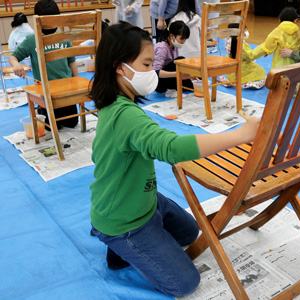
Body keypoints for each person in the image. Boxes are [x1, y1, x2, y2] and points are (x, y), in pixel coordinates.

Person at [88, 21, 260, 297]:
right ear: (120, 67)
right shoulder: (124, 115)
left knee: (191, 234)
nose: (152, 72)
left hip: (143, 200)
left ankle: (130, 235)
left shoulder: (120, 104)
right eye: (146, 65)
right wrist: (239, 135)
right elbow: (171, 148)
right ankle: (116, 242)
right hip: (124, 220)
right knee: (183, 282)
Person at [9, 0, 79, 129]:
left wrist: (76, 83)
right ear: (38, 21)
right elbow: (13, 57)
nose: (51, 26)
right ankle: (41, 110)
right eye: (47, 22)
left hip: (66, 90)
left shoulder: (63, 37)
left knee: (72, 123)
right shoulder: (32, 40)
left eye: (54, 21)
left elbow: (72, 62)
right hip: (46, 92)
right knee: (52, 126)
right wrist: (16, 65)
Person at [153, 20, 193, 98]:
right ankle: (170, 91)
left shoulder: (174, 46)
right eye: (182, 38)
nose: (183, 42)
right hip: (159, 83)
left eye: (185, 39)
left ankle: (174, 87)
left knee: (192, 86)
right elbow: (156, 72)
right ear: (172, 36)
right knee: (180, 60)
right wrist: (177, 73)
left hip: (169, 77)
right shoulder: (162, 47)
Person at [219, 24, 266, 89]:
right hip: (240, 69)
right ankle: (249, 83)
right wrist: (263, 48)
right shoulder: (240, 44)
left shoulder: (229, 41)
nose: (246, 32)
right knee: (261, 71)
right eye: (245, 30)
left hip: (231, 72)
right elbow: (251, 55)